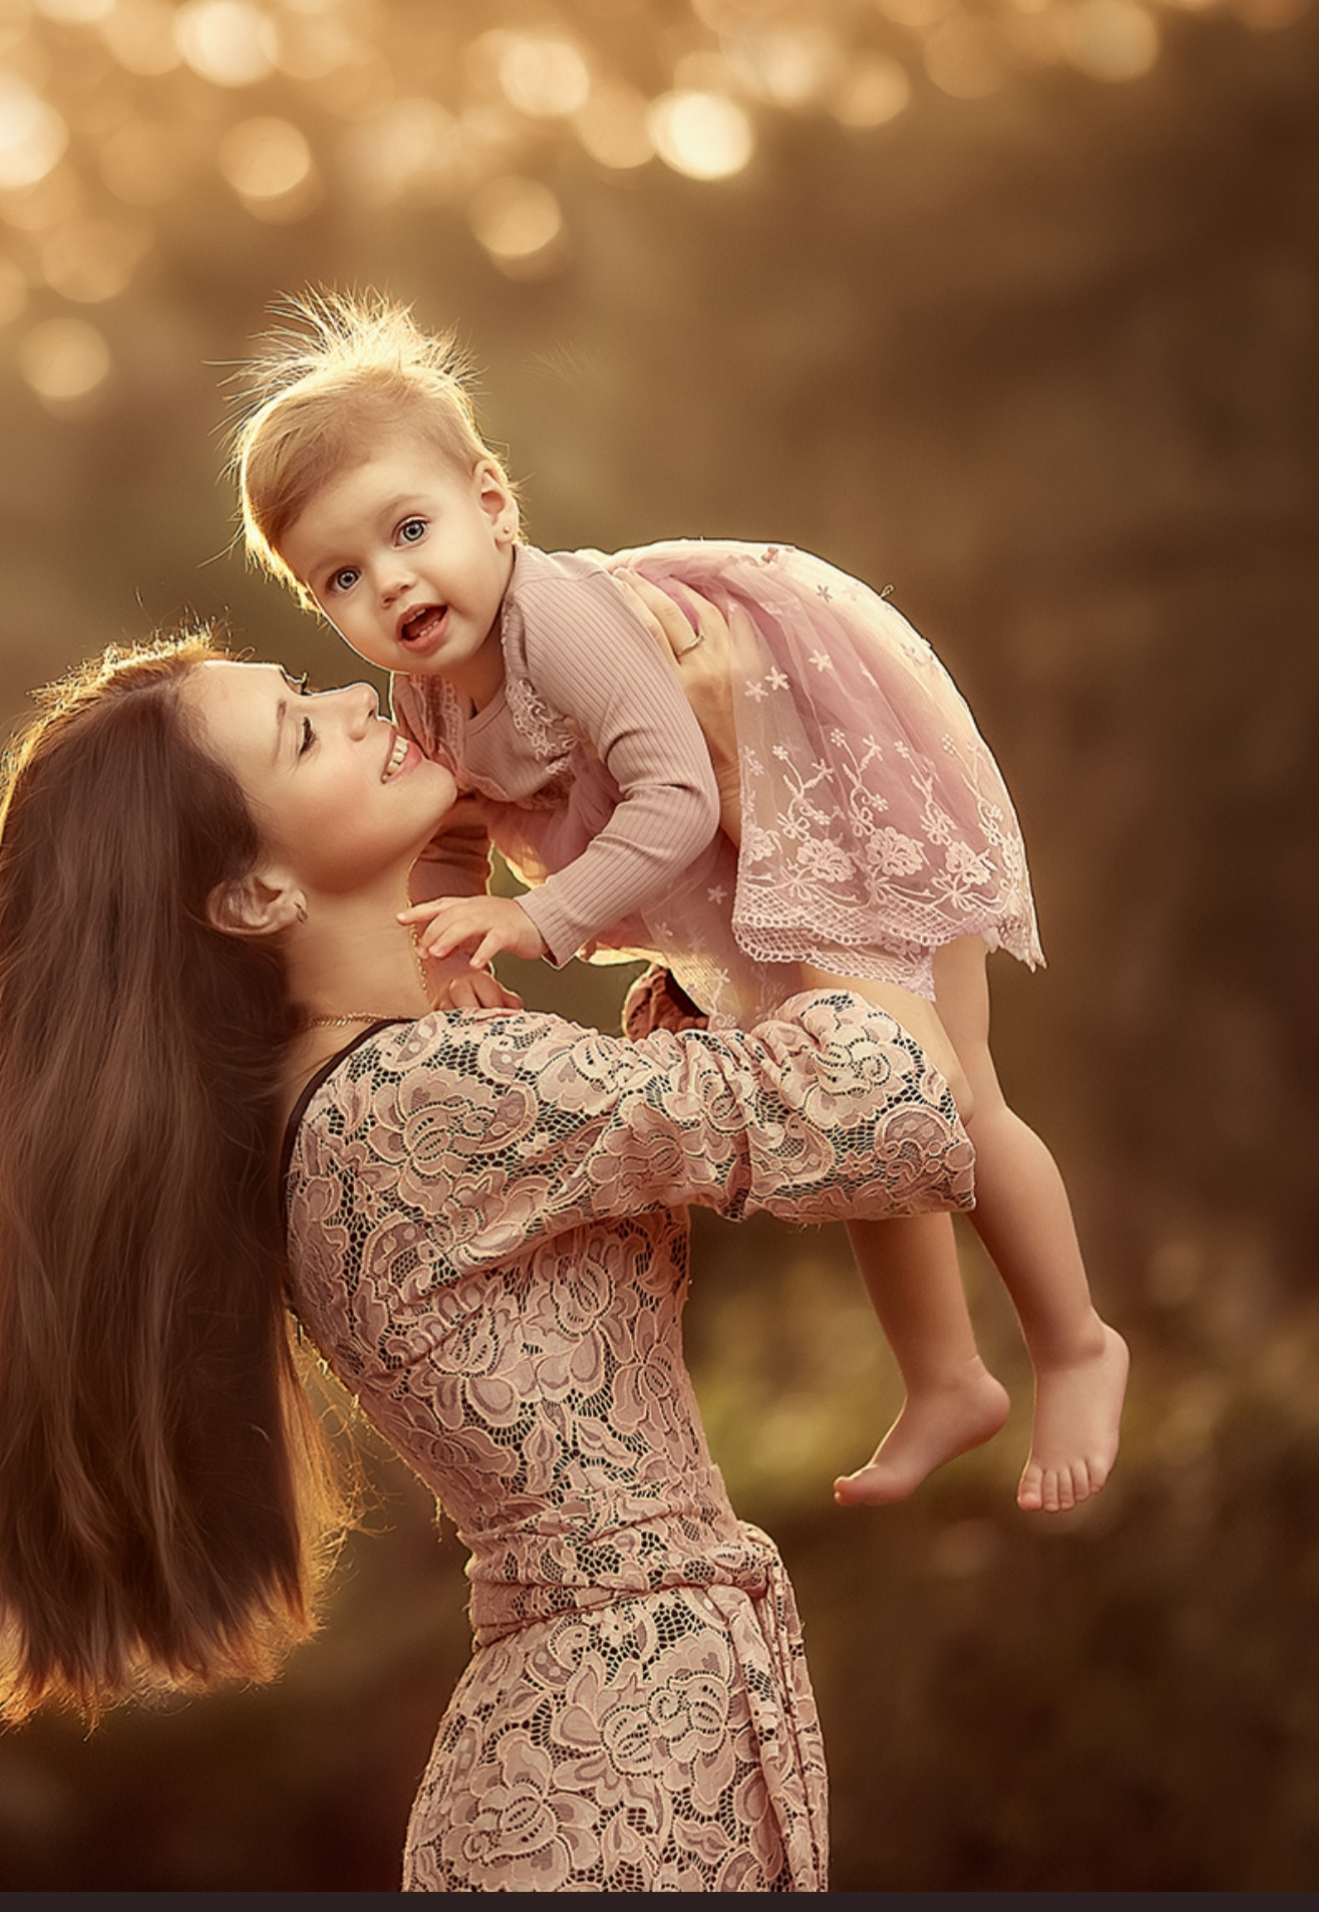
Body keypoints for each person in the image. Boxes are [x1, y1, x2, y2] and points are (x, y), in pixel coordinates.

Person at [0, 617, 977, 1891]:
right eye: (302, 730)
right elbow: (891, 1104)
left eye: (308, 687)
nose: (356, 698)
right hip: (611, 1775)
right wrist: (768, 784)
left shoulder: (367, 1083)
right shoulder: (417, 1097)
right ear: (254, 894)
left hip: (613, 1738)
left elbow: (693, 1099)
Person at [230, 291, 1128, 1518]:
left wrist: (539, 923)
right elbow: (451, 832)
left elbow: (674, 788)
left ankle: (1076, 1343)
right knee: (863, 1114)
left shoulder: (567, 625)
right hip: (746, 870)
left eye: (410, 529)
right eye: (343, 574)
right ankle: (949, 1376)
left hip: (830, 811)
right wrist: (446, 943)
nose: (392, 582)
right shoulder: (430, 693)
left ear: (494, 505)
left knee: (954, 1087)